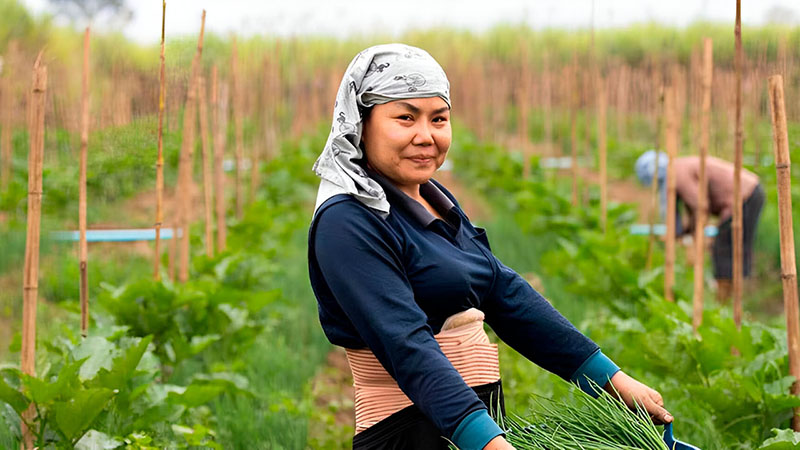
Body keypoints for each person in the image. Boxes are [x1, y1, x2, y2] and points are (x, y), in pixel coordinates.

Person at [308, 43, 672, 450]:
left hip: (473, 425)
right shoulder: (347, 221)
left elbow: (501, 290)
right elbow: (405, 345)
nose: (425, 136)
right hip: (412, 432)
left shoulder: (432, 197)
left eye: (439, 119)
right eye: (405, 118)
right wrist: (487, 443)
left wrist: (611, 380)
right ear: (362, 123)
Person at [635, 150, 765, 303]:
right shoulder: (679, 168)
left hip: (744, 196)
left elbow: (700, 205)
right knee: (730, 248)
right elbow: (694, 209)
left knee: (724, 248)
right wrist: (687, 230)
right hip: (749, 191)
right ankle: (730, 298)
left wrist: (697, 237)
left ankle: (726, 301)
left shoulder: (677, 173)